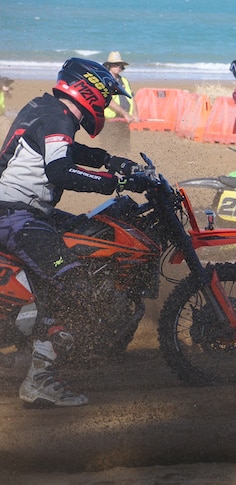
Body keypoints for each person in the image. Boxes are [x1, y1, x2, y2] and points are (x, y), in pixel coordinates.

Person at [0, 58, 149, 407]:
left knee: (90, 233)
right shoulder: (57, 117)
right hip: (15, 216)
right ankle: (40, 379)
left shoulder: (47, 108)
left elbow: (64, 149)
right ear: (89, 91)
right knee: (75, 285)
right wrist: (116, 182)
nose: (108, 105)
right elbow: (61, 170)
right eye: (106, 97)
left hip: (25, 212)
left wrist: (109, 160)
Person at [102, 52, 139, 155]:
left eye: (120, 64)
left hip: (124, 122)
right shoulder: (105, 80)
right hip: (110, 123)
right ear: (109, 65)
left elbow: (131, 98)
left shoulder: (124, 81)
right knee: (109, 152)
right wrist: (125, 113)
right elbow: (108, 101)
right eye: (115, 64)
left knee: (124, 151)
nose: (118, 67)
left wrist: (135, 114)